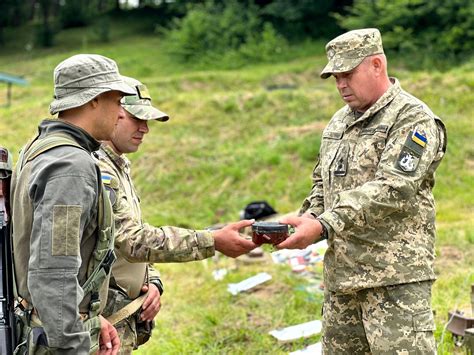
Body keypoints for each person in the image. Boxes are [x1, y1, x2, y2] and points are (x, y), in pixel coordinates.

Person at [277, 28, 447, 353]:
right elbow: (321, 185)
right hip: (343, 279)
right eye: (335, 77)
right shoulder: (338, 122)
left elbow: (393, 188)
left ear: (376, 65)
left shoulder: (413, 119)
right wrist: (305, 219)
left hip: (394, 280)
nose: (341, 85)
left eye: (348, 74)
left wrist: (325, 223)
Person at [96, 76, 257, 354]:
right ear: (115, 113)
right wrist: (213, 240)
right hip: (100, 325)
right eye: (137, 119)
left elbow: (126, 235)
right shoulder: (96, 168)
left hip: (118, 320)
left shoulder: (118, 165)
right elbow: (132, 240)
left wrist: (152, 281)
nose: (145, 129)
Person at [10, 54, 136, 354]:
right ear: (94, 100)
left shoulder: (39, 148)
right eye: (117, 100)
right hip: (56, 339)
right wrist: (72, 342)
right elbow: (53, 272)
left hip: (46, 325)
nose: (121, 112)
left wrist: (88, 315)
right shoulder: (71, 166)